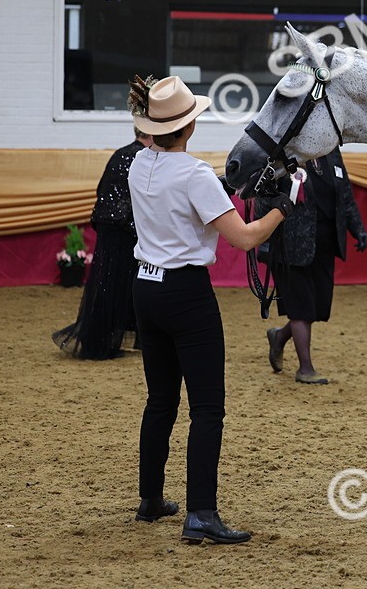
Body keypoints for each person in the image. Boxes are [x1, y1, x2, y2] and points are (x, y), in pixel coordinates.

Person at [127, 74, 291, 545]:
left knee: (161, 400)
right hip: (185, 295)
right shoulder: (195, 174)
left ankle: (150, 498)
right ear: (190, 127)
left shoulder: (140, 163)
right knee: (208, 408)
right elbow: (245, 237)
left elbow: (191, 196)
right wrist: (283, 205)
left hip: (146, 287)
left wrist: (229, 186)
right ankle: (201, 513)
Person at [259, 147, 367, 385]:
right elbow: (263, 199)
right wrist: (264, 242)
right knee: (301, 307)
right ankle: (305, 369)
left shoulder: (332, 154)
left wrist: (357, 228)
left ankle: (279, 337)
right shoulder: (281, 155)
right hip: (290, 245)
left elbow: (345, 194)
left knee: (316, 308)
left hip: (324, 244)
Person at [52, 127, 153, 359]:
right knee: (120, 283)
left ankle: (106, 339)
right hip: (123, 230)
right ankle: (103, 343)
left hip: (110, 227)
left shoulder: (120, 153)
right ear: (150, 134)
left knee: (110, 282)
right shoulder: (141, 157)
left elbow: (102, 191)